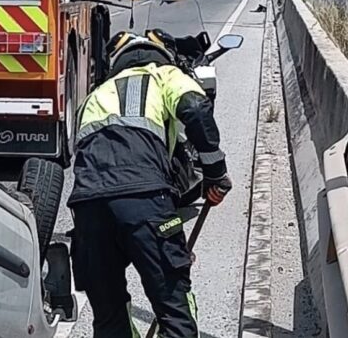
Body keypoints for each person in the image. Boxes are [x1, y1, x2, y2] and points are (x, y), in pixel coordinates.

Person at [68, 29, 232, 338]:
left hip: (88, 208)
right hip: (143, 199)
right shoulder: (164, 75)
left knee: (109, 320)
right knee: (174, 312)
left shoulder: (94, 96)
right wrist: (215, 172)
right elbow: (196, 109)